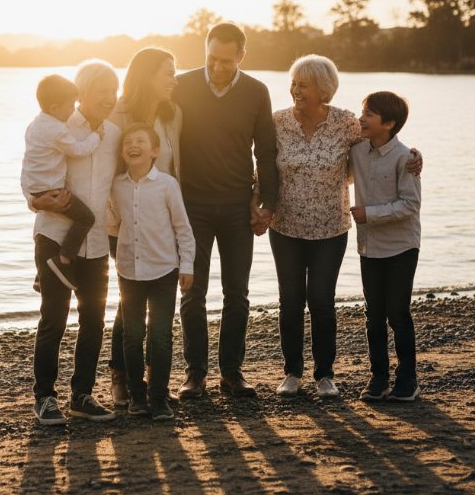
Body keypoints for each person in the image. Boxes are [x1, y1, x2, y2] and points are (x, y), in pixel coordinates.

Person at [263, 55, 421, 399]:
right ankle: (292, 373)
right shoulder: (277, 122)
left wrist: (415, 155)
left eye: (303, 85)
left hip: (331, 228)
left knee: (321, 300)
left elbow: (382, 143)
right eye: (293, 83)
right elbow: (261, 166)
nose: (295, 90)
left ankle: (325, 376)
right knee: (289, 301)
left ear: (324, 90)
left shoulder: (346, 123)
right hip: (285, 225)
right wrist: (257, 204)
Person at [174, 23, 279, 398]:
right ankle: (195, 375)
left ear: (241, 56)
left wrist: (267, 203)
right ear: (205, 50)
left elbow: (265, 151)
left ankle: (232, 373)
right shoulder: (181, 86)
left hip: (237, 206)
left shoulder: (256, 92)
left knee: (237, 293)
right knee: (192, 292)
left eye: (226, 61)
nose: (218, 67)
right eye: (212, 59)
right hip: (192, 206)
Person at [26, 60, 121, 425]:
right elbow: (32, 172)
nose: (109, 97)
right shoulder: (57, 125)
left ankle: (82, 395)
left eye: (114, 91)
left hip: (96, 242)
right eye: (102, 90)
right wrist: (33, 200)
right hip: (54, 236)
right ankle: (45, 397)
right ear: (82, 93)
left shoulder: (113, 133)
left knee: (94, 320)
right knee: (54, 319)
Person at [105, 47, 183, 406]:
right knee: (128, 302)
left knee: (155, 311)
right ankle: (121, 375)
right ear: (147, 74)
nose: (173, 78)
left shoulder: (173, 114)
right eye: (167, 72)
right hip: (122, 219)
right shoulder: (118, 113)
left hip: (160, 221)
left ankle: (155, 383)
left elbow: (174, 167)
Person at [111, 123, 195, 420]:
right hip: (128, 271)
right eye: (127, 142)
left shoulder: (167, 184)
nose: (133, 145)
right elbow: (112, 219)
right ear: (123, 151)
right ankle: (137, 395)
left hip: (163, 270)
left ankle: (159, 397)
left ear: (155, 151)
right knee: (132, 336)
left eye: (140, 141)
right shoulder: (116, 185)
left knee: (160, 335)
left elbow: (182, 229)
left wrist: (187, 265)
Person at [350, 91, 422, 402]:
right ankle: (378, 377)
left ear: (390, 123)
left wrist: (370, 215)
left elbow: (410, 205)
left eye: (369, 114)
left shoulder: (405, 158)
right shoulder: (356, 150)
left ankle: (408, 378)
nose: (361, 118)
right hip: (369, 248)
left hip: (401, 247)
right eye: (362, 111)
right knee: (373, 314)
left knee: (398, 313)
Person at [21, 74, 104, 290]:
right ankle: (64, 259)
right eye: (70, 106)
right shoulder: (57, 130)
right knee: (86, 218)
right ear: (55, 106)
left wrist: (33, 198)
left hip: (37, 191)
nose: (72, 110)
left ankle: (42, 275)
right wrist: (96, 136)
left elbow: (27, 163)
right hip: (55, 192)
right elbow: (78, 150)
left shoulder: (34, 125)